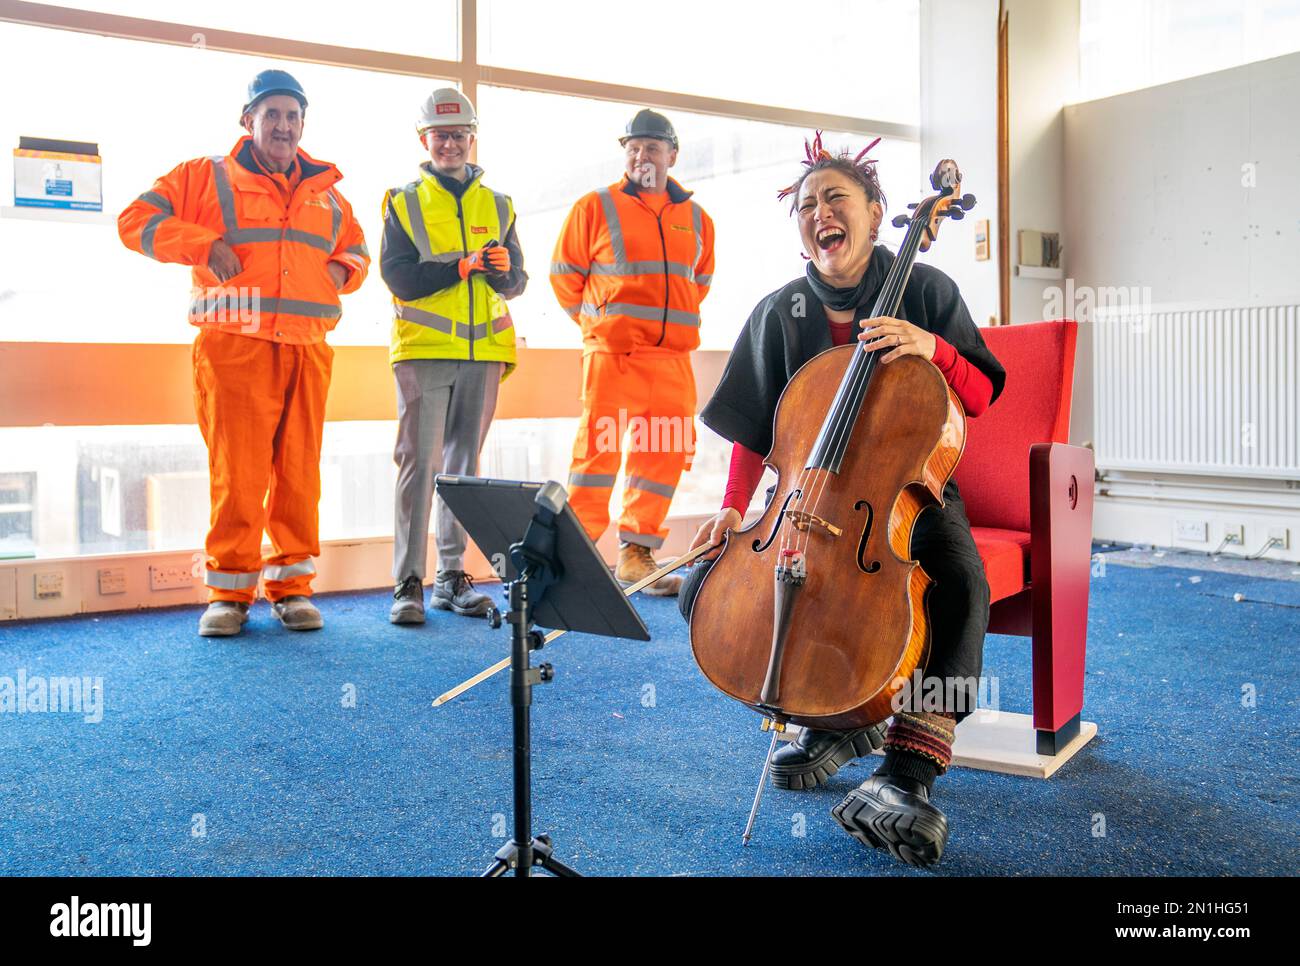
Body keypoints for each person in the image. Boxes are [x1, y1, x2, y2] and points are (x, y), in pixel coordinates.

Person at [680, 134, 1005, 866]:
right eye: (806, 205)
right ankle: (833, 717)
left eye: (836, 198)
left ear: (878, 212)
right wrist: (735, 508)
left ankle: (910, 770)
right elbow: (752, 429)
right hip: (806, 499)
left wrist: (933, 347)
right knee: (709, 589)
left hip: (906, 495)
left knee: (960, 581)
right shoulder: (779, 311)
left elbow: (980, 393)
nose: (819, 213)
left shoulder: (927, 290)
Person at [118, 69, 369, 637]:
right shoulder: (201, 178)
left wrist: (341, 269)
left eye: (292, 115)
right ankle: (229, 593)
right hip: (235, 350)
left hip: (307, 350)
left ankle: (292, 588)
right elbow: (134, 222)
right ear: (247, 120)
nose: (283, 125)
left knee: (298, 474)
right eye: (272, 113)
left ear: (303, 124)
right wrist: (202, 244)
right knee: (239, 472)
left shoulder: (328, 194)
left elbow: (356, 251)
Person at [550, 109, 714, 596]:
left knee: (661, 456)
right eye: (634, 147)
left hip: (671, 361)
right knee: (597, 456)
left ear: (672, 155)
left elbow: (698, 283)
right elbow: (565, 278)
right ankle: (575, 561)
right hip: (614, 358)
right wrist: (603, 326)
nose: (642, 155)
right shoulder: (594, 206)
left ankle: (636, 556)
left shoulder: (697, 219)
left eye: (652, 147)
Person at [383, 88, 527, 625]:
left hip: (484, 352)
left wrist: (500, 271)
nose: (451, 143)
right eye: (441, 135)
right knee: (419, 466)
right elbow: (398, 275)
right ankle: (407, 583)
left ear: (472, 138)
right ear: (425, 140)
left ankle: (450, 577)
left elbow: (517, 281)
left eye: (460, 134)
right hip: (424, 352)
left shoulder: (500, 204)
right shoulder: (404, 201)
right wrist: (460, 267)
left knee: (464, 471)